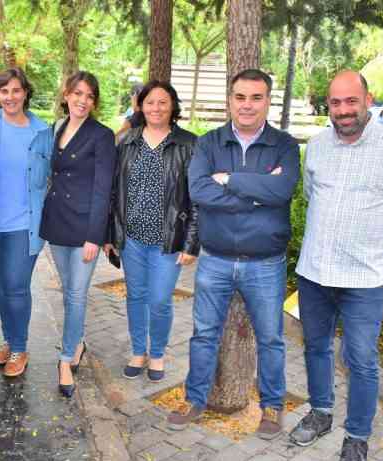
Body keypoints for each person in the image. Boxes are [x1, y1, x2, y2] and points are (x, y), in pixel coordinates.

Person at [290, 71, 383, 461]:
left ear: (367, 100)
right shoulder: (316, 147)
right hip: (314, 272)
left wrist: (374, 244)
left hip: (364, 278)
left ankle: (357, 437)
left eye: (351, 101)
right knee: (315, 347)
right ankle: (321, 412)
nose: (344, 110)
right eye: (336, 103)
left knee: (362, 360)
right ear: (327, 105)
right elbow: (312, 194)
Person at [168, 69, 300, 440]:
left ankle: (272, 407)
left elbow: (283, 190)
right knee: (204, 333)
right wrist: (259, 193)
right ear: (230, 99)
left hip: (265, 263)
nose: (247, 105)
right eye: (240, 97)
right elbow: (199, 191)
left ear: (267, 101)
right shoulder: (209, 143)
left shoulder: (285, 146)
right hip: (216, 259)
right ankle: (195, 399)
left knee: (271, 338)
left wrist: (229, 180)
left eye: (256, 97)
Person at [105, 80, 200, 383]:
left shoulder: (188, 144)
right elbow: (112, 193)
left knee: (159, 299)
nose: (156, 108)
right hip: (131, 238)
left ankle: (157, 353)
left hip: (168, 241)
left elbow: (197, 198)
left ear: (172, 105)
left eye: (162, 102)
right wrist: (111, 235)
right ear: (140, 106)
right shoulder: (127, 142)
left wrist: (191, 243)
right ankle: (138, 351)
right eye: (149, 102)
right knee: (136, 296)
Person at [40, 71, 116, 398]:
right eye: (77, 93)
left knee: (76, 294)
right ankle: (79, 343)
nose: (82, 100)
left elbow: (103, 188)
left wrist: (94, 236)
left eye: (89, 96)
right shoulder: (55, 128)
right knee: (68, 291)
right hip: (57, 223)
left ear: (94, 102)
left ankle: (64, 358)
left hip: (85, 227)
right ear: (66, 94)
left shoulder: (102, 135)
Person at [0, 68, 53, 377]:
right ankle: (10, 340)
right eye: (4, 91)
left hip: (25, 224)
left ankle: (20, 349)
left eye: (16, 91)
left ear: (25, 94)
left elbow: (54, 175)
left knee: (17, 287)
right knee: (0, 285)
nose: (10, 97)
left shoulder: (42, 132)